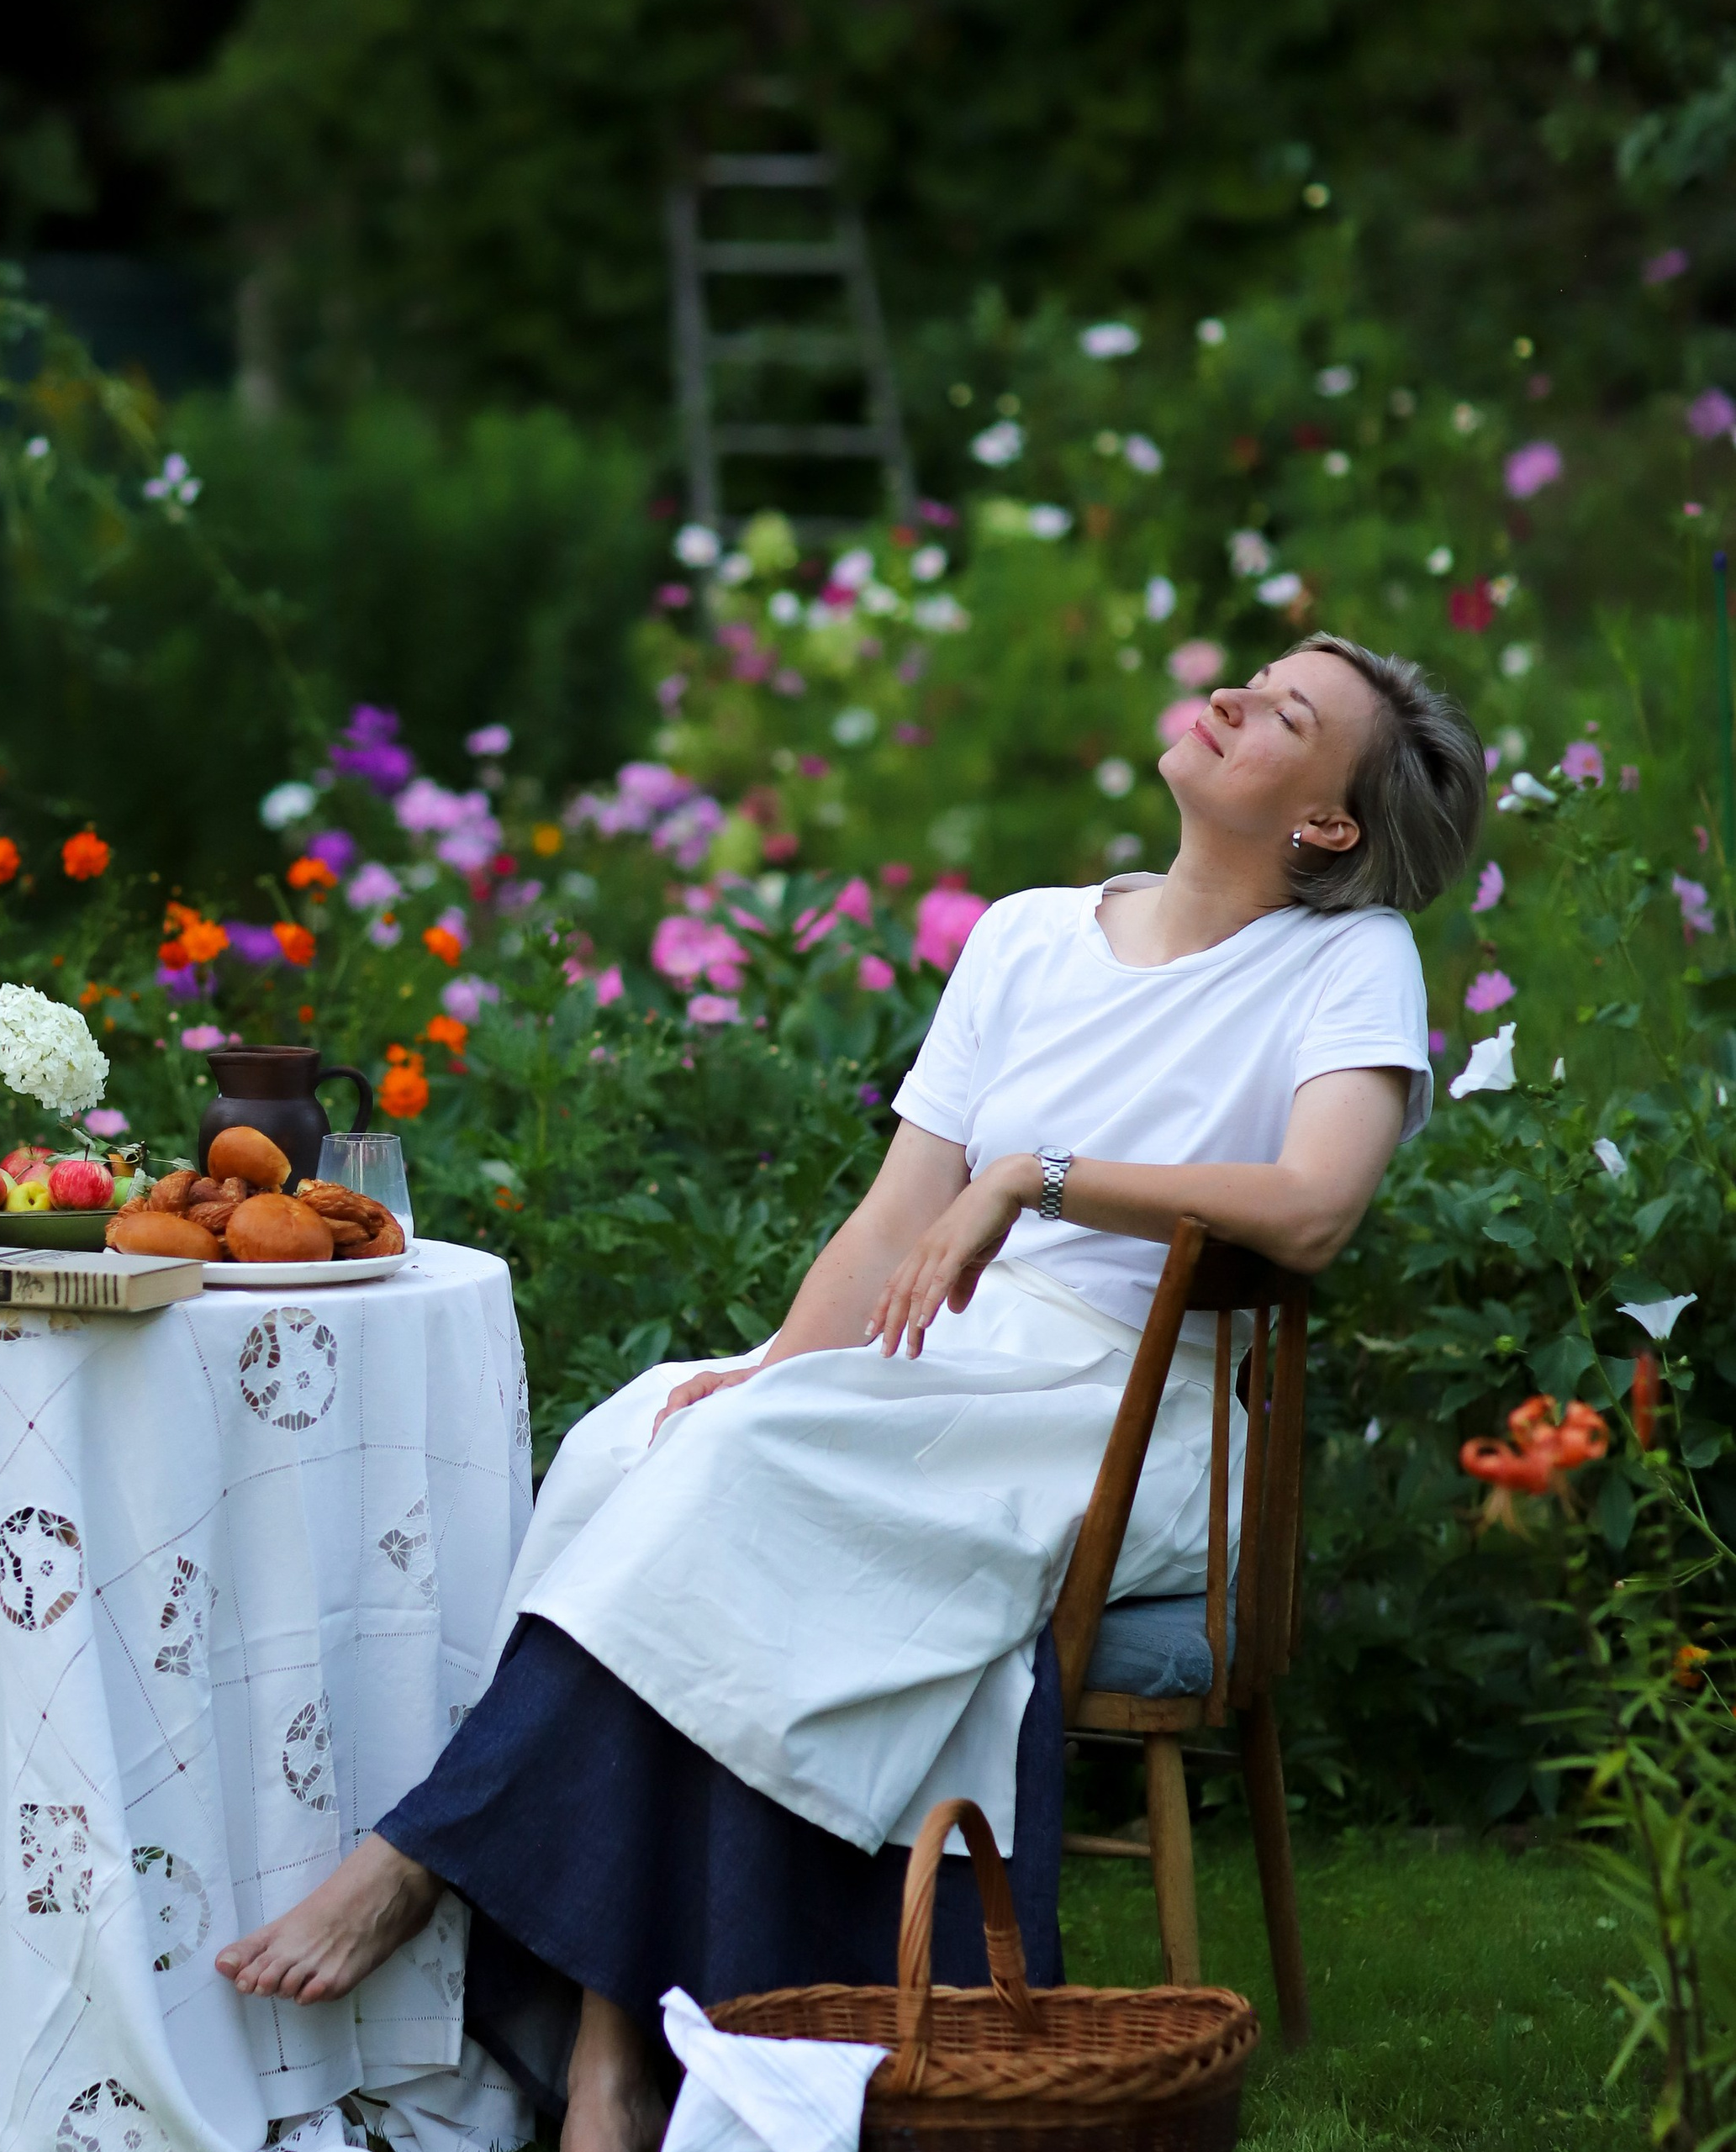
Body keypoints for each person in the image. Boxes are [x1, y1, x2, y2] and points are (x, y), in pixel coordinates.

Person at [216, 631, 1485, 2150]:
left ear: (1326, 824)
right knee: (654, 1440)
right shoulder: (1028, 933)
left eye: (1282, 712)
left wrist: (1041, 1176)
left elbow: (1314, 1206)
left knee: (745, 1486)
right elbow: (893, 1223)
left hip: (1124, 1408)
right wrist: (762, 1375)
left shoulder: (1347, 957)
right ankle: (618, 2061)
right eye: (1248, 676)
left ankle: (424, 1860)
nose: (1226, 699)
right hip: (938, 1358)